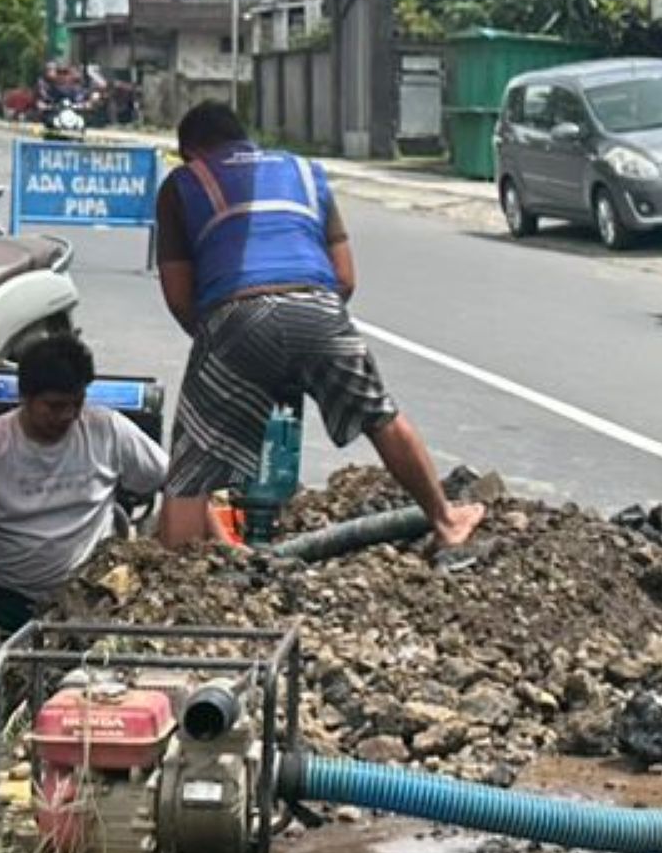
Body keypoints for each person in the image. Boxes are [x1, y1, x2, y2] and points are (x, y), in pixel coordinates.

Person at [150, 99, 482, 552]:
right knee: (379, 414)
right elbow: (345, 277)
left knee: (191, 465)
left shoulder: (182, 184)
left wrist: (224, 348)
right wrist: (304, 343)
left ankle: (177, 590)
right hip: (319, 305)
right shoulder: (307, 173)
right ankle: (445, 520)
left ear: (191, 151)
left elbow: (180, 296)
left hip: (236, 310)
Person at [0, 324, 166, 631]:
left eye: (76, 403)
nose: (68, 415)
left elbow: (177, 482)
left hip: (92, 594)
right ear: (25, 397)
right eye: (55, 406)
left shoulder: (107, 429)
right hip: (6, 595)